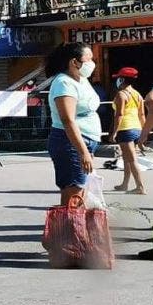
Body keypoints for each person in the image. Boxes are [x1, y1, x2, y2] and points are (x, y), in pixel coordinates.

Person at [45, 42, 101, 207]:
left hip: (85, 141)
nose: (92, 63)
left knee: (81, 192)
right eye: (88, 59)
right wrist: (83, 152)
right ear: (74, 62)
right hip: (70, 143)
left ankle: (74, 223)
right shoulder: (64, 83)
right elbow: (68, 120)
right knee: (73, 195)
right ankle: (68, 224)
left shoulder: (81, 79)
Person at [108, 67, 146, 195]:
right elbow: (142, 115)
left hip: (125, 129)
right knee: (126, 158)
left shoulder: (121, 95)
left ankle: (140, 187)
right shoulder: (138, 95)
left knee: (132, 159)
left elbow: (119, 115)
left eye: (119, 78)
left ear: (122, 80)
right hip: (136, 129)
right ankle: (124, 184)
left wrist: (114, 133)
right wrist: (144, 133)